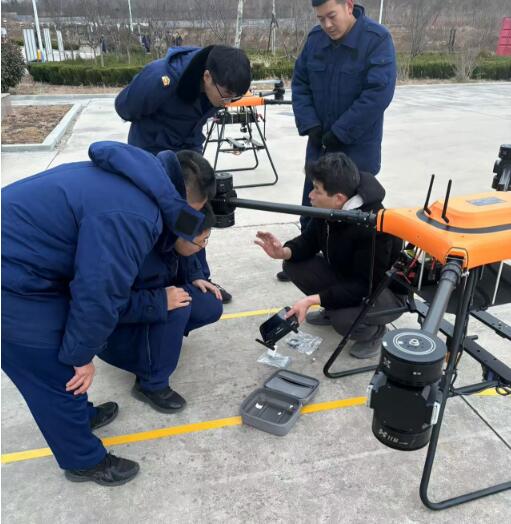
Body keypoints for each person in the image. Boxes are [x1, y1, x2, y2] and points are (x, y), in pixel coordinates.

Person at [1, 141, 216, 486]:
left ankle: (80, 416)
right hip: (12, 277)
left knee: (62, 361)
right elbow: (98, 293)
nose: (190, 225)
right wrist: (81, 356)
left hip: (28, 264)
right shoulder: (133, 215)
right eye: (191, 214)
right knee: (55, 371)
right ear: (184, 199)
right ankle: (84, 461)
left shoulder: (142, 180)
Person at [115, 44, 252, 304]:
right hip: (151, 156)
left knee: (195, 212)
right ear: (207, 76)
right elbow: (124, 107)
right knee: (159, 221)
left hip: (186, 152)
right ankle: (154, 284)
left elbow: (197, 118)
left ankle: (197, 276)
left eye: (234, 98)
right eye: (226, 96)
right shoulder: (161, 78)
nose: (227, 103)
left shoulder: (215, 88)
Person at [279, 0, 396, 281]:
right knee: (313, 206)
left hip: (357, 148)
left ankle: (351, 282)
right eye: (320, 19)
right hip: (320, 143)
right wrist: (310, 124)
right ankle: (310, 258)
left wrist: (341, 132)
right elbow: (301, 83)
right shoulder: (315, 40)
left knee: (354, 216)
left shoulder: (376, 40)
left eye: (331, 16)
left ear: (349, 6)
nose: (327, 25)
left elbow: (377, 94)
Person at [99, 153, 223, 414]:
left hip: (147, 300)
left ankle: (159, 343)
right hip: (111, 330)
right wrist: (160, 301)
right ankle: (151, 383)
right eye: (201, 240)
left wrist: (196, 275)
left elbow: (188, 246)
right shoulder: (133, 231)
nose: (203, 245)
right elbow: (105, 302)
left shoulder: (174, 215)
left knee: (208, 303)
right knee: (177, 307)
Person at [255, 153, 405, 359]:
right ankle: (334, 306)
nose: (310, 195)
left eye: (317, 190)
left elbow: (363, 286)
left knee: (342, 319)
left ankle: (374, 333)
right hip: (348, 277)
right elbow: (310, 240)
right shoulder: (330, 209)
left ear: (339, 199)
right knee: (292, 265)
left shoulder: (373, 226)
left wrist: (313, 299)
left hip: (382, 291)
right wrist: (284, 251)